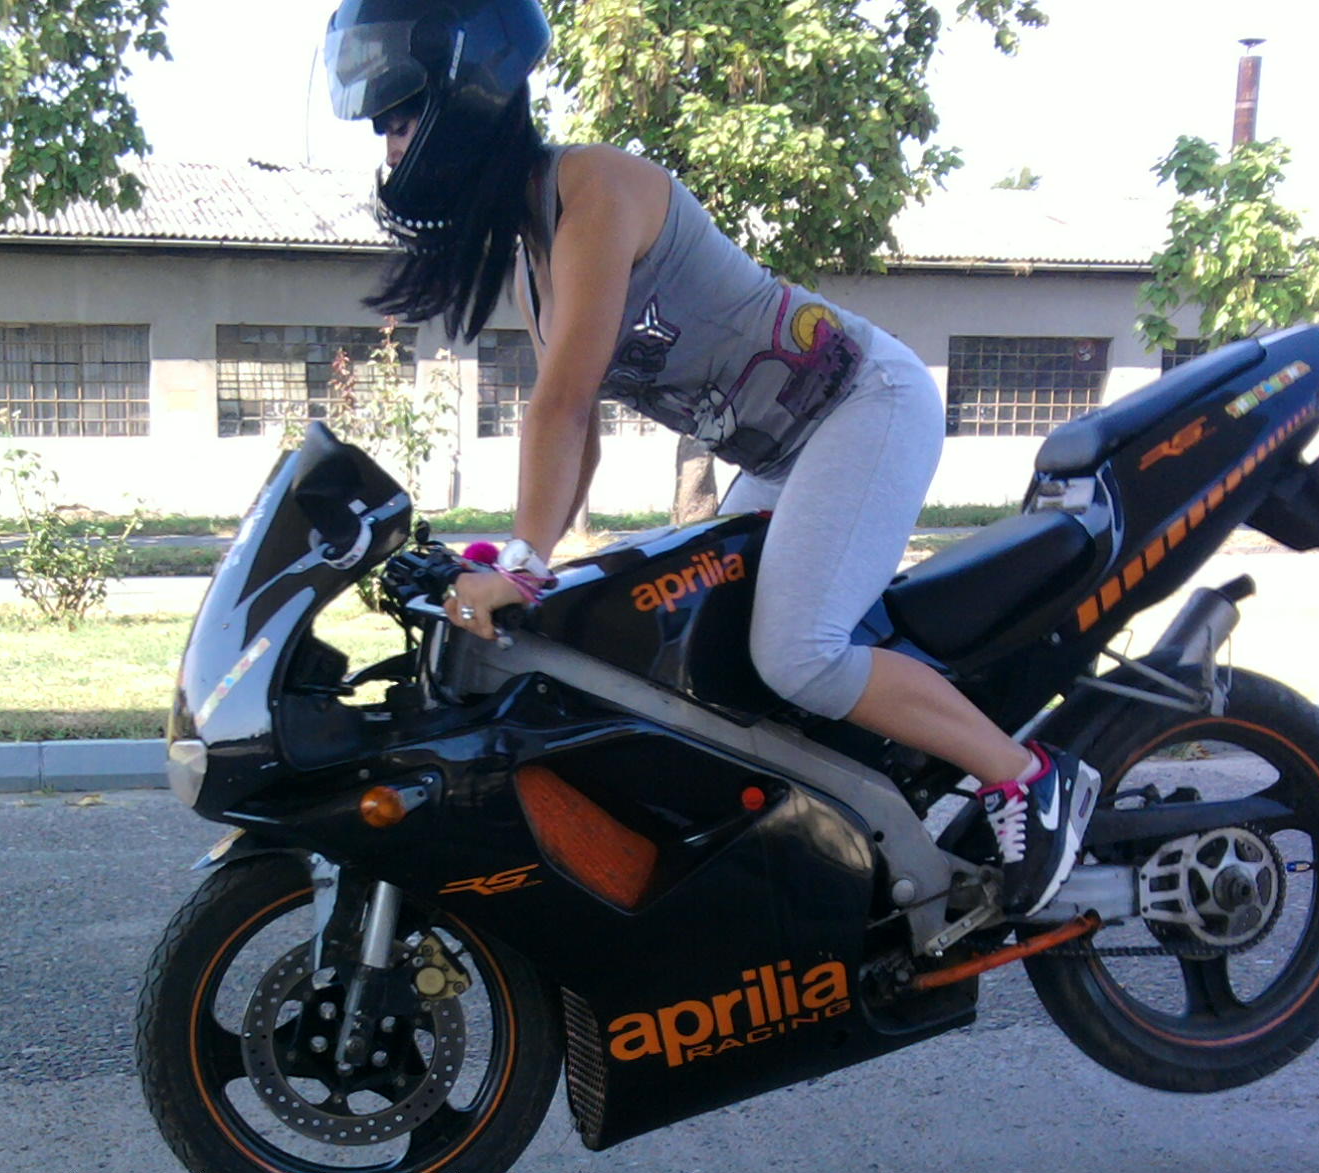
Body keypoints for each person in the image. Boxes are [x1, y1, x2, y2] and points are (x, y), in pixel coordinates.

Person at [323, 0, 1098, 916]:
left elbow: (559, 405)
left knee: (799, 656)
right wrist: (533, 563)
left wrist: (522, 560)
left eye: (400, 121)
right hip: (784, 447)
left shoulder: (593, 188)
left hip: (862, 402)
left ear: (465, 102)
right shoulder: (537, 257)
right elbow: (581, 430)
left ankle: (1028, 776)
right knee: (713, 651)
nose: (391, 150)